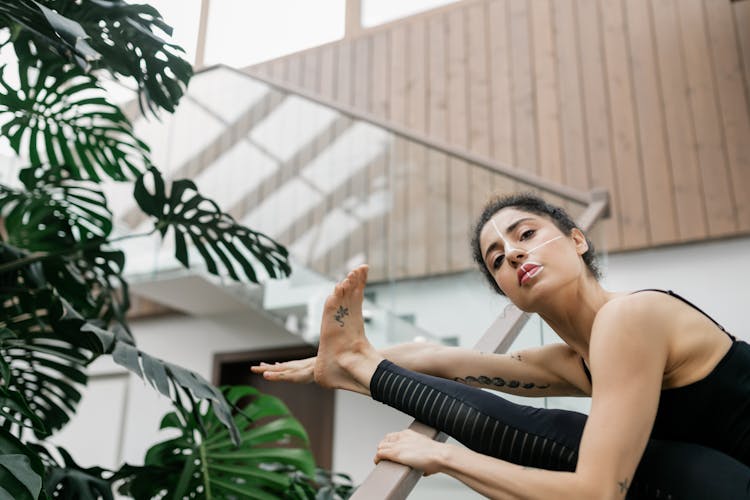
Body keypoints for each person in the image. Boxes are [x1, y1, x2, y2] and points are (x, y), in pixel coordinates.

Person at [252, 194, 750, 499]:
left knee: (565, 435)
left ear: (578, 241)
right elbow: (442, 361)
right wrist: (336, 359)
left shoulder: (631, 316)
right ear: (506, 291)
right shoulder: (574, 360)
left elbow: (597, 492)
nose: (513, 253)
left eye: (527, 234)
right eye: (497, 259)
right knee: (554, 429)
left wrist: (445, 458)